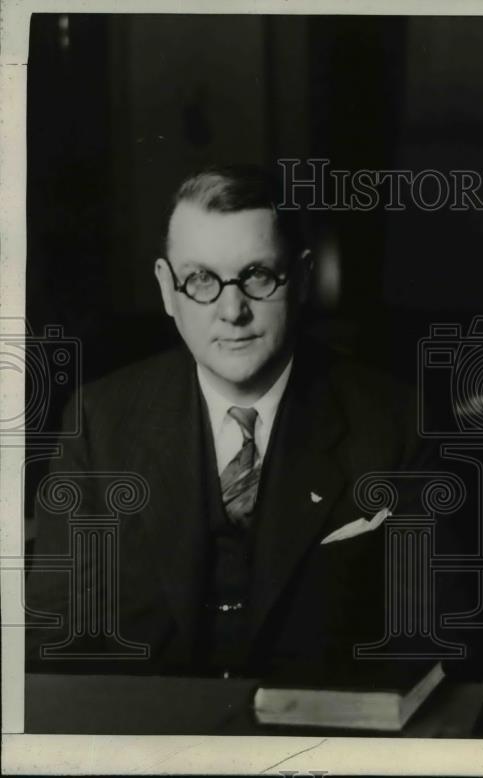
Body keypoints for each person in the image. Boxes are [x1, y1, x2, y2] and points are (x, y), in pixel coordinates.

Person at [26, 165, 429, 680]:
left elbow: (430, 649)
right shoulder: (98, 421)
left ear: (302, 277)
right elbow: (53, 647)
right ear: (167, 289)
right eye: (201, 279)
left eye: (258, 275)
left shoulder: (396, 422)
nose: (232, 310)